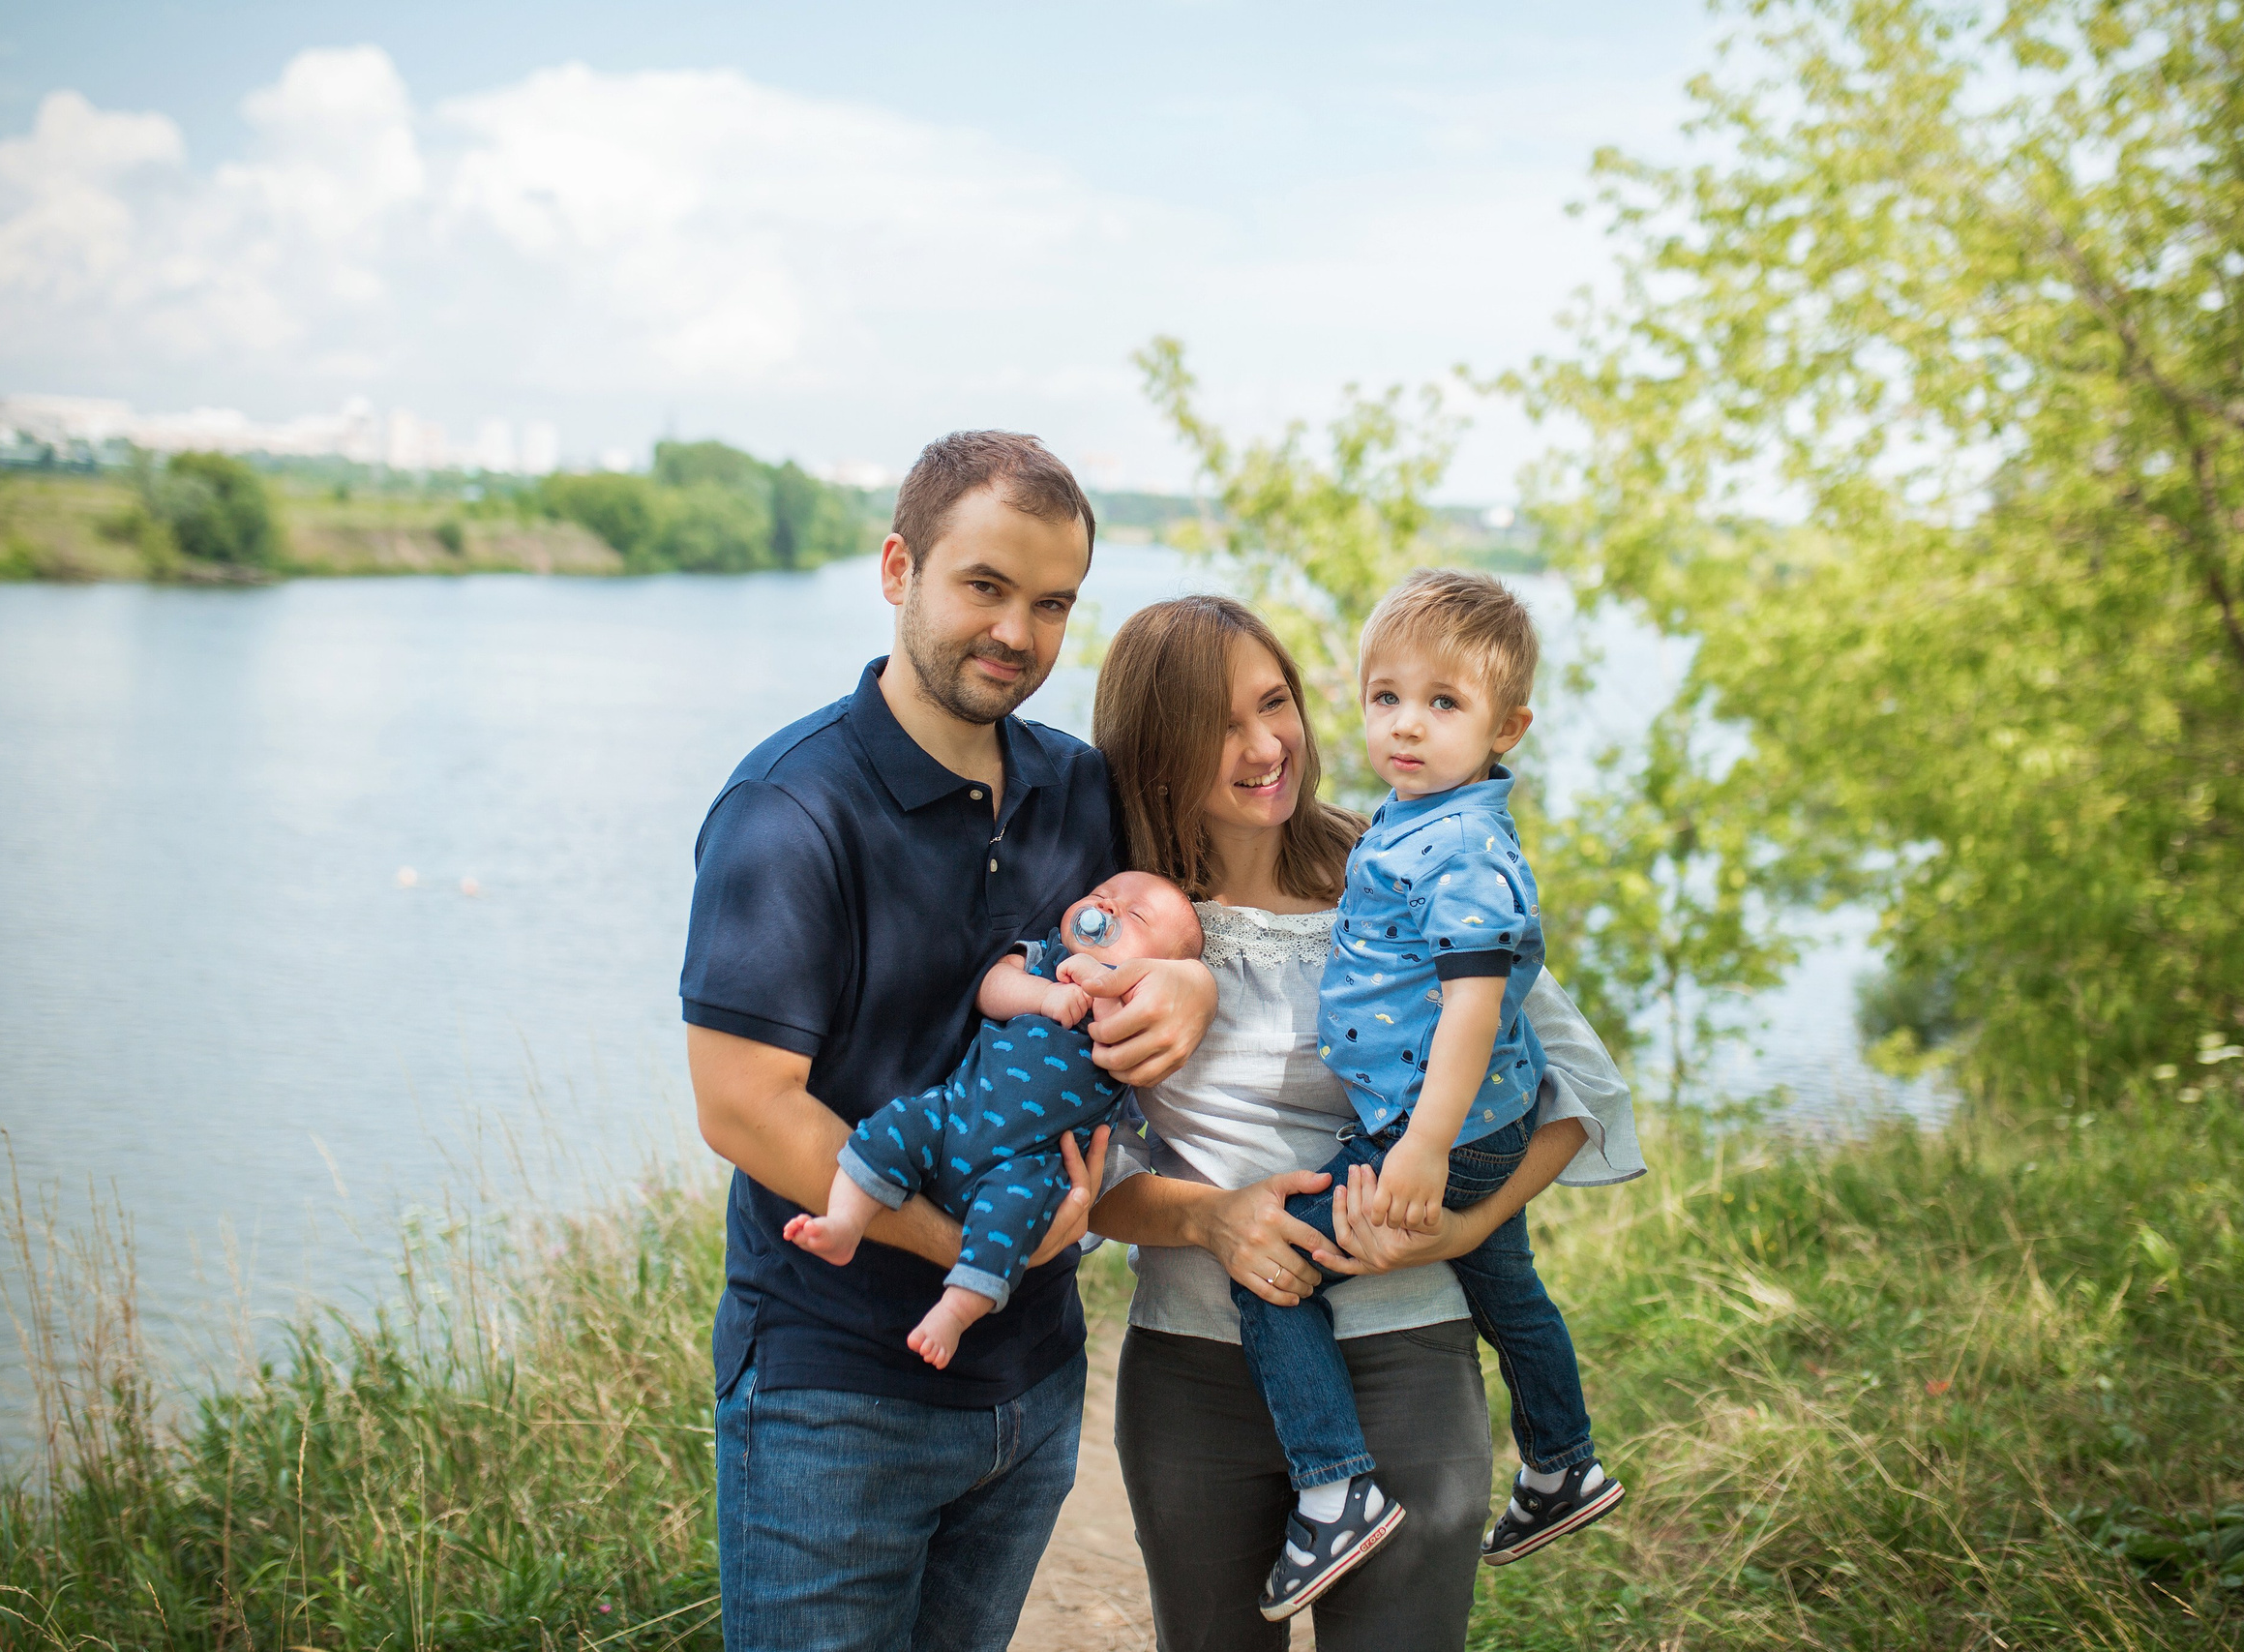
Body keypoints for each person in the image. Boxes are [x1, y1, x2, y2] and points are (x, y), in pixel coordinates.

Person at [680, 432, 1216, 1652]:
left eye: (1051, 604)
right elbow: (744, 1107)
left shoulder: (1081, 791)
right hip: (833, 1396)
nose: (1016, 633)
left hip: (1029, 1395)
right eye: (984, 586)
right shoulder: (789, 811)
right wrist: (981, 1254)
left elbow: (1212, 902)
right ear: (896, 569)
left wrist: (1189, 980)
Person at [1087, 594, 1646, 1652]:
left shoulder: (1400, 867)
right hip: (1195, 1376)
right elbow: (1078, 1179)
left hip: (1407, 1353)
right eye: (1219, 725)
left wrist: (1472, 1230)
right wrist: (1214, 1220)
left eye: (1277, 703)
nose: (1264, 747)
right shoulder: (1127, 923)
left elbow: (1576, 1093)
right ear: (1155, 750)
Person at [1232, 570, 1623, 1619]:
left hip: (1435, 1129)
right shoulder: (1416, 820)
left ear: (1509, 726)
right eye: (1384, 697)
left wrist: (1422, 1149)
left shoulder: (1463, 848)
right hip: (1465, 1124)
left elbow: (1471, 1009)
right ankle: (1560, 1465)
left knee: (1273, 1269)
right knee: (1506, 1288)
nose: (1406, 726)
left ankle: (1332, 1487)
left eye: (1443, 704)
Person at [787, 871, 1204, 1367]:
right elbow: (991, 987)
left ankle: (955, 1311)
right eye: (1100, 896)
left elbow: (1126, 1043)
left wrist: (1109, 988)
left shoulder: (1138, 1009)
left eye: (1134, 916)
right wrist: (1043, 995)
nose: (1107, 908)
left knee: (1011, 1224)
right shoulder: (1044, 957)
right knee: (894, 1126)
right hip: (957, 1113)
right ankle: (844, 1222)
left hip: (1028, 1163)